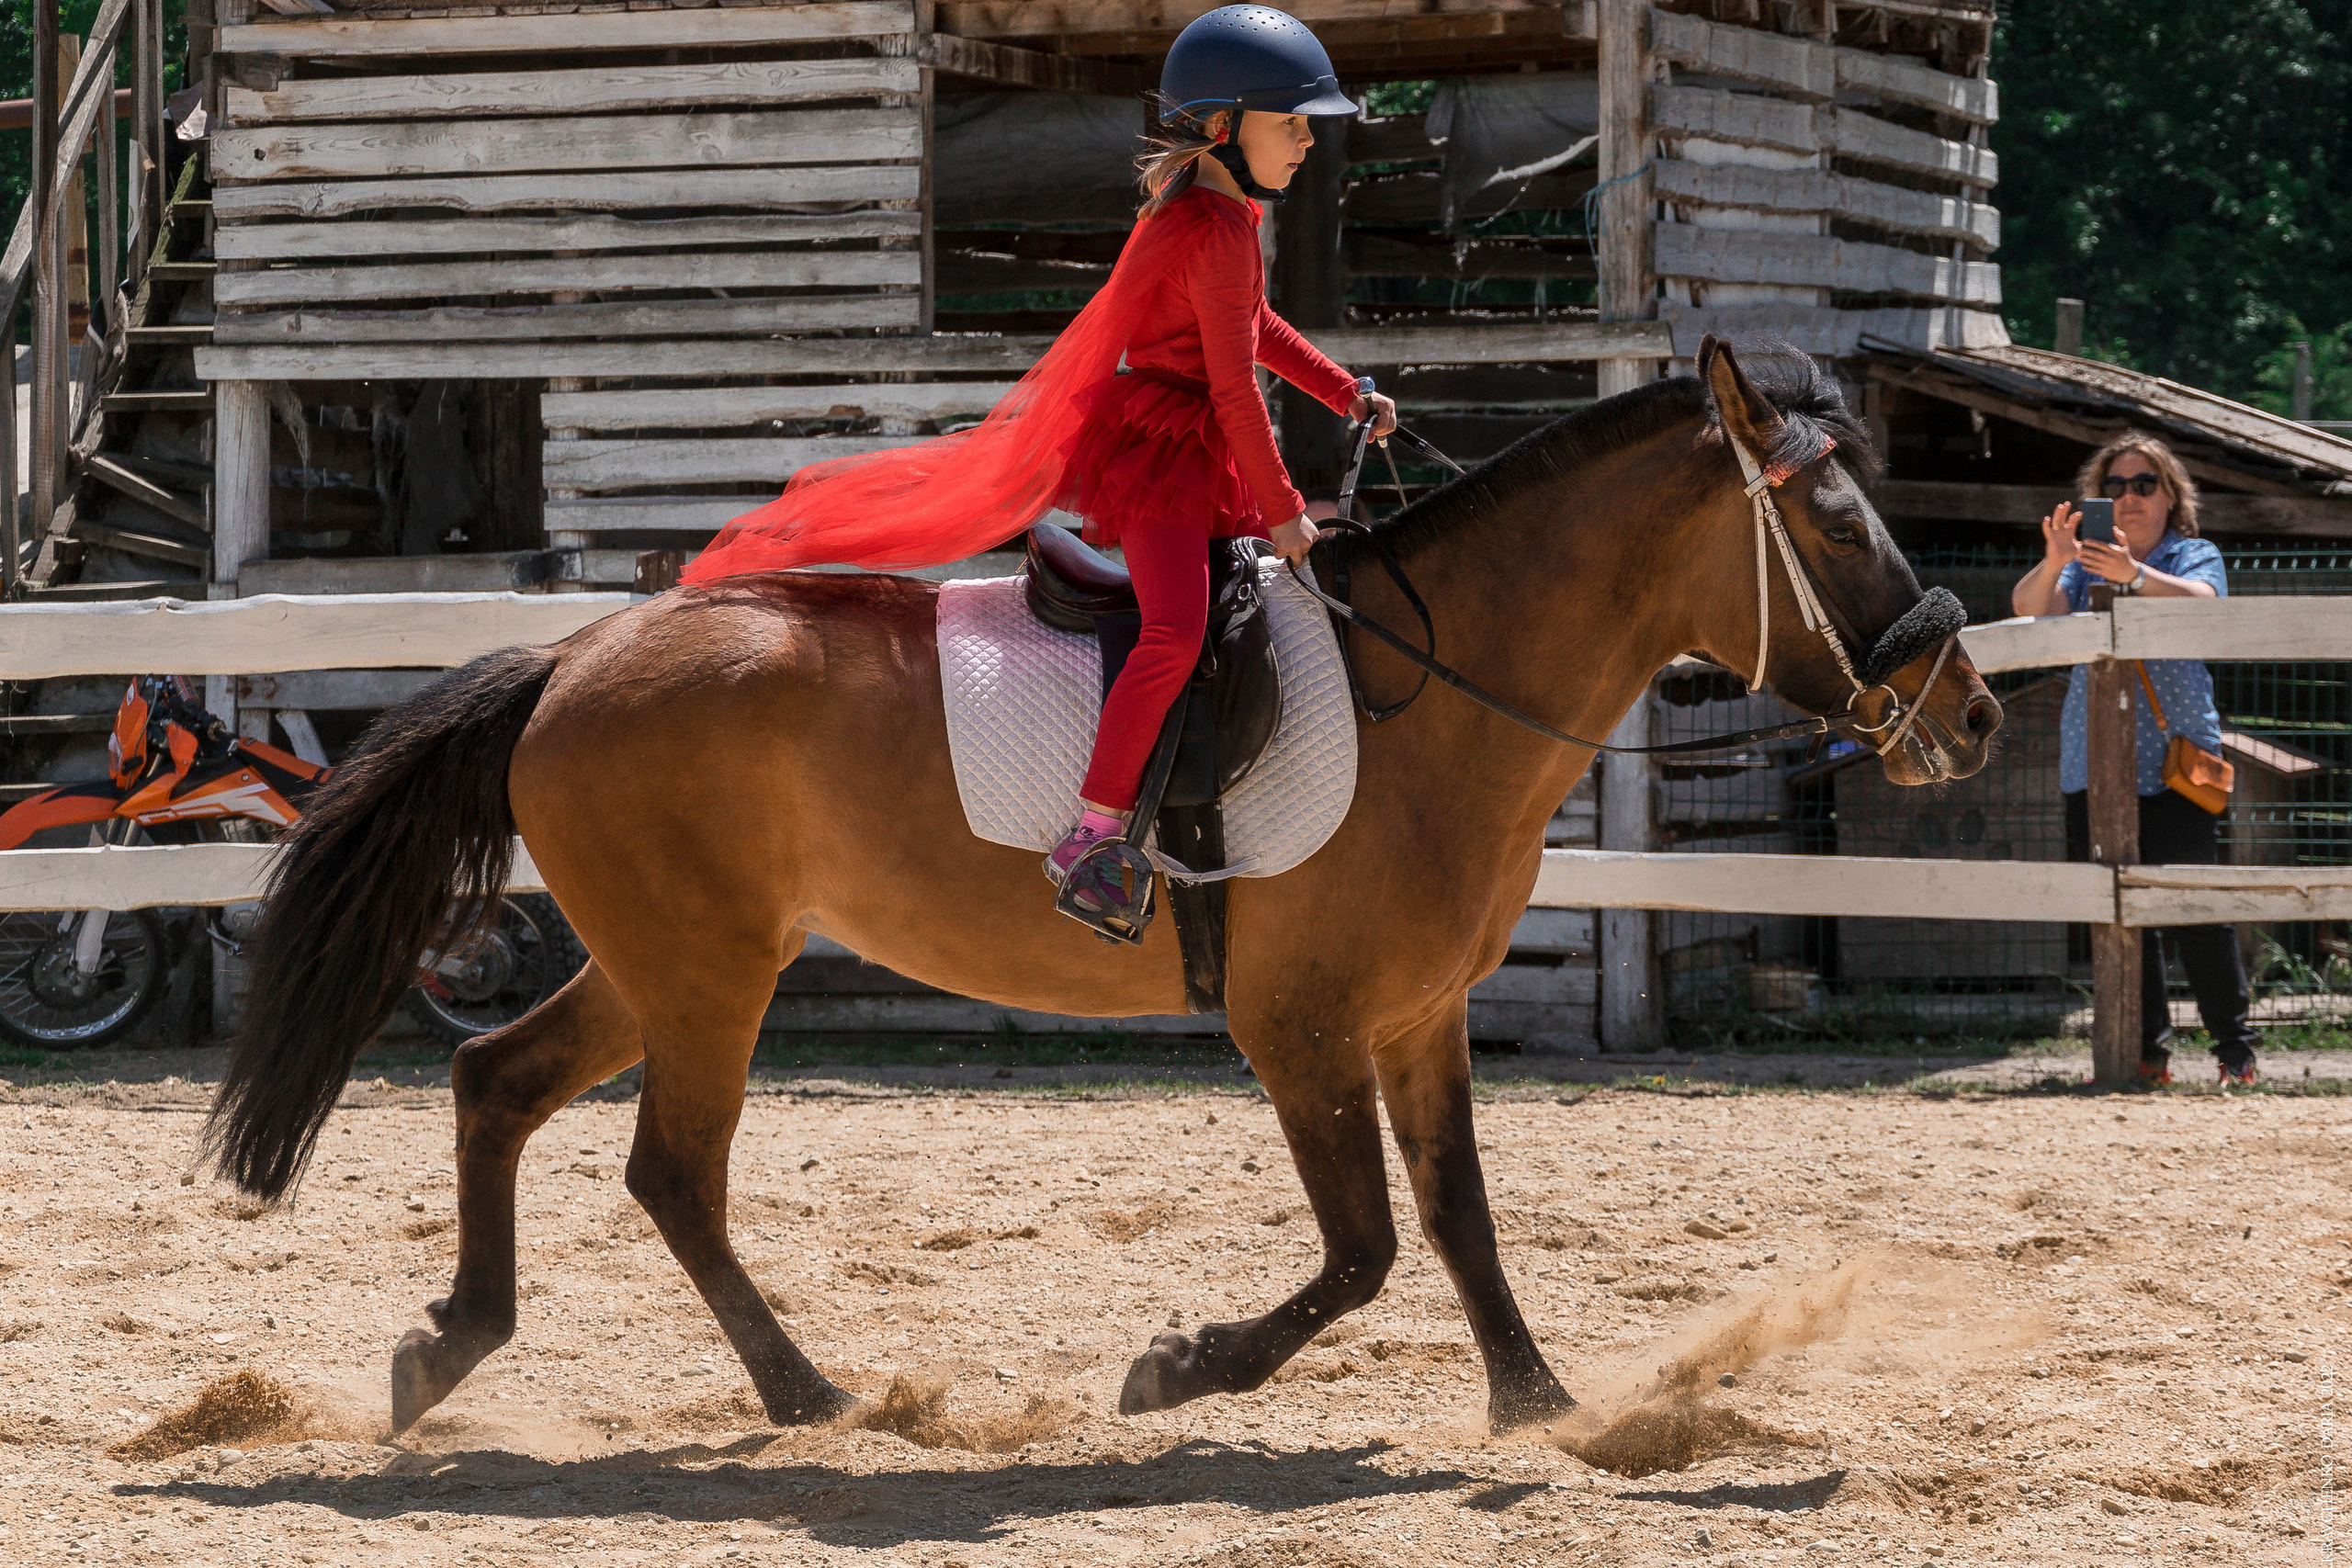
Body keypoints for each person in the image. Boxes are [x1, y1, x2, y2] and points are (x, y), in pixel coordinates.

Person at [682, 6, 1396, 938]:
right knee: (1174, 633)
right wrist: (1287, 508)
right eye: (1291, 121)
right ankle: (1093, 833)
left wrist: (1343, 391)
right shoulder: (1213, 226)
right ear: (1225, 125)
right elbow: (1232, 388)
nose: (1306, 139)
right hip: (1168, 453)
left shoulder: (1215, 211)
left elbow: (1251, 326)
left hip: (1181, 439)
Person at [2009, 432, 2261, 1087]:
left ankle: (2235, 1053)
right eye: (2114, 486)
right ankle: (2145, 1057)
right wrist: (2054, 560)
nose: (2129, 497)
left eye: (2145, 483)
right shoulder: (2082, 563)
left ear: (2171, 495)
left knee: (2194, 908)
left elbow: (2207, 605)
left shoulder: (2192, 553)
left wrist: (2134, 577)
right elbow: (2031, 610)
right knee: (2119, 912)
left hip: (2178, 763)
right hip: (2094, 760)